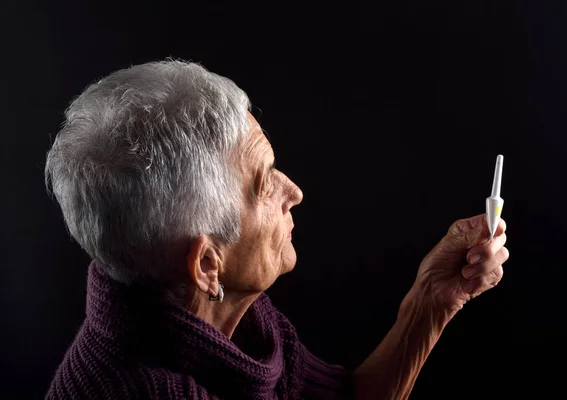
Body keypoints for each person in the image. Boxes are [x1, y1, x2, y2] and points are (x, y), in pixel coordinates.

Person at [44, 60, 509, 400]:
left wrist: (434, 297)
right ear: (208, 265)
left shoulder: (237, 323)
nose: (295, 192)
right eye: (264, 185)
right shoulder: (142, 389)